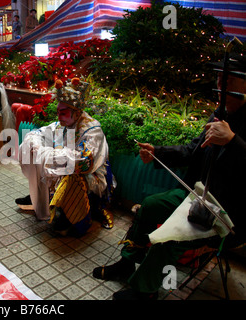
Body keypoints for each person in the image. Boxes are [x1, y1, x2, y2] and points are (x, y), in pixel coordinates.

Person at [92, 52, 246, 300]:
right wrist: (157, 152)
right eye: (219, 79)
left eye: (228, 80)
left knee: (171, 235)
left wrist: (232, 142)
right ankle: (127, 264)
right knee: (149, 207)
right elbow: (193, 150)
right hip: (197, 197)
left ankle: (145, 291)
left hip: (226, 215)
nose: (220, 86)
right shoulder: (220, 113)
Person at [16, 78, 113, 237]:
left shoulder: (92, 130)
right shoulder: (64, 123)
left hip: (89, 175)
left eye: (63, 112)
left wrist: (48, 154)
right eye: (58, 111)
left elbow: (83, 161)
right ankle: (45, 198)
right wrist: (38, 147)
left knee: (66, 171)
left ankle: (74, 216)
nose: (58, 116)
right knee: (37, 153)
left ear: (76, 112)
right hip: (66, 169)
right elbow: (37, 134)